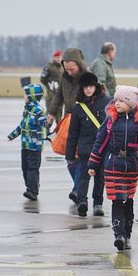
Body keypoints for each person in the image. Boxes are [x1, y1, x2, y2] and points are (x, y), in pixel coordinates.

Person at [87, 86, 138, 251]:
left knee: (129, 201)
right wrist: (93, 163)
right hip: (113, 164)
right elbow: (101, 140)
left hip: (132, 165)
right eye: (116, 100)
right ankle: (118, 234)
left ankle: (127, 234)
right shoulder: (111, 120)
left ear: (131, 103)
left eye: (122, 101)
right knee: (117, 199)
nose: (117, 103)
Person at [65, 72, 110, 217]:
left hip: (102, 148)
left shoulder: (106, 103)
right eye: (85, 87)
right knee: (83, 177)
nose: (88, 90)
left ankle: (98, 204)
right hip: (84, 148)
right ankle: (82, 202)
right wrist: (70, 154)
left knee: (100, 178)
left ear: (95, 86)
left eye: (90, 86)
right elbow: (72, 133)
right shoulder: (78, 107)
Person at [46, 47, 87, 202]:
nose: (69, 71)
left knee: (80, 156)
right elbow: (58, 96)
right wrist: (50, 113)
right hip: (68, 120)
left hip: (84, 122)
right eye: (66, 68)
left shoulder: (87, 78)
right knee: (69, 157)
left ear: (79, 65)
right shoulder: (64, 77)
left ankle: (77, 189)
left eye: (72, 68)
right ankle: (78, 187)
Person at [8, 84, 47, 201]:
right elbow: (22, 125)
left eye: (26, 94)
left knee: (32, 168)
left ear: (32, 96)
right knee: (24, 167)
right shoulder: (27, 109)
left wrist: (49, 128)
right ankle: (32, 185)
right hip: (25, 145)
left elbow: (45, 124)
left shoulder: (38, 111)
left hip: (35, 146)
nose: (24, 96)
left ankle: (32, 191)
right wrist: (13, 135)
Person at [40, 50, 63, 116]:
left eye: (59, 57)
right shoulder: (48, 67)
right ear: (54, 58)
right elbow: (43, 79)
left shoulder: (63, 67)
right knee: (49, 115)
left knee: (59, 116)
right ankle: (45, 126)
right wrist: (49, 85)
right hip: (51, 96)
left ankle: (59, 126)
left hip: (60, 96)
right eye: (56, 57)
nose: (58, 59)